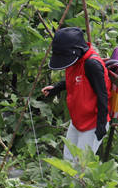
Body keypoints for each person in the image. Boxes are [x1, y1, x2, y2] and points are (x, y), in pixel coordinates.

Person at [41, 27, 110, 161]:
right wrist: (56, 88)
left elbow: (103, 95)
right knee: (68, 159)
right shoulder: (74, 61)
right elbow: (74, 79)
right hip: (78, 120)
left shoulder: (91, 64)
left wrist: (101, 125)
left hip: (92, 123)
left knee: (80, 165)